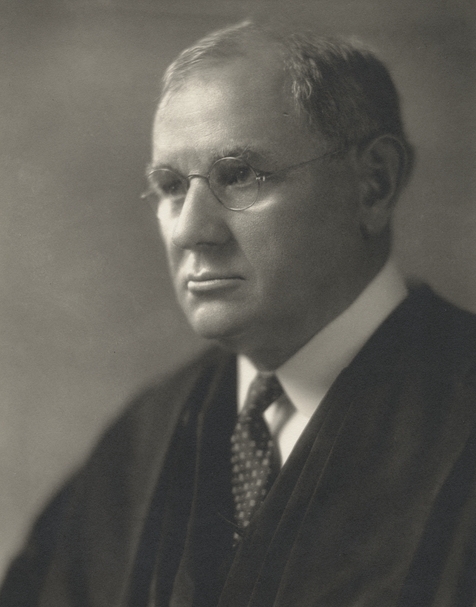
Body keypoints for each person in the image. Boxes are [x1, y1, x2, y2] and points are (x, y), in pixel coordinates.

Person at [1, 21, 476, 607]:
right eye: (171, 187)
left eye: (240, 175)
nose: (193, 231)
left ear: (373, 183)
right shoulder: (144, 437)